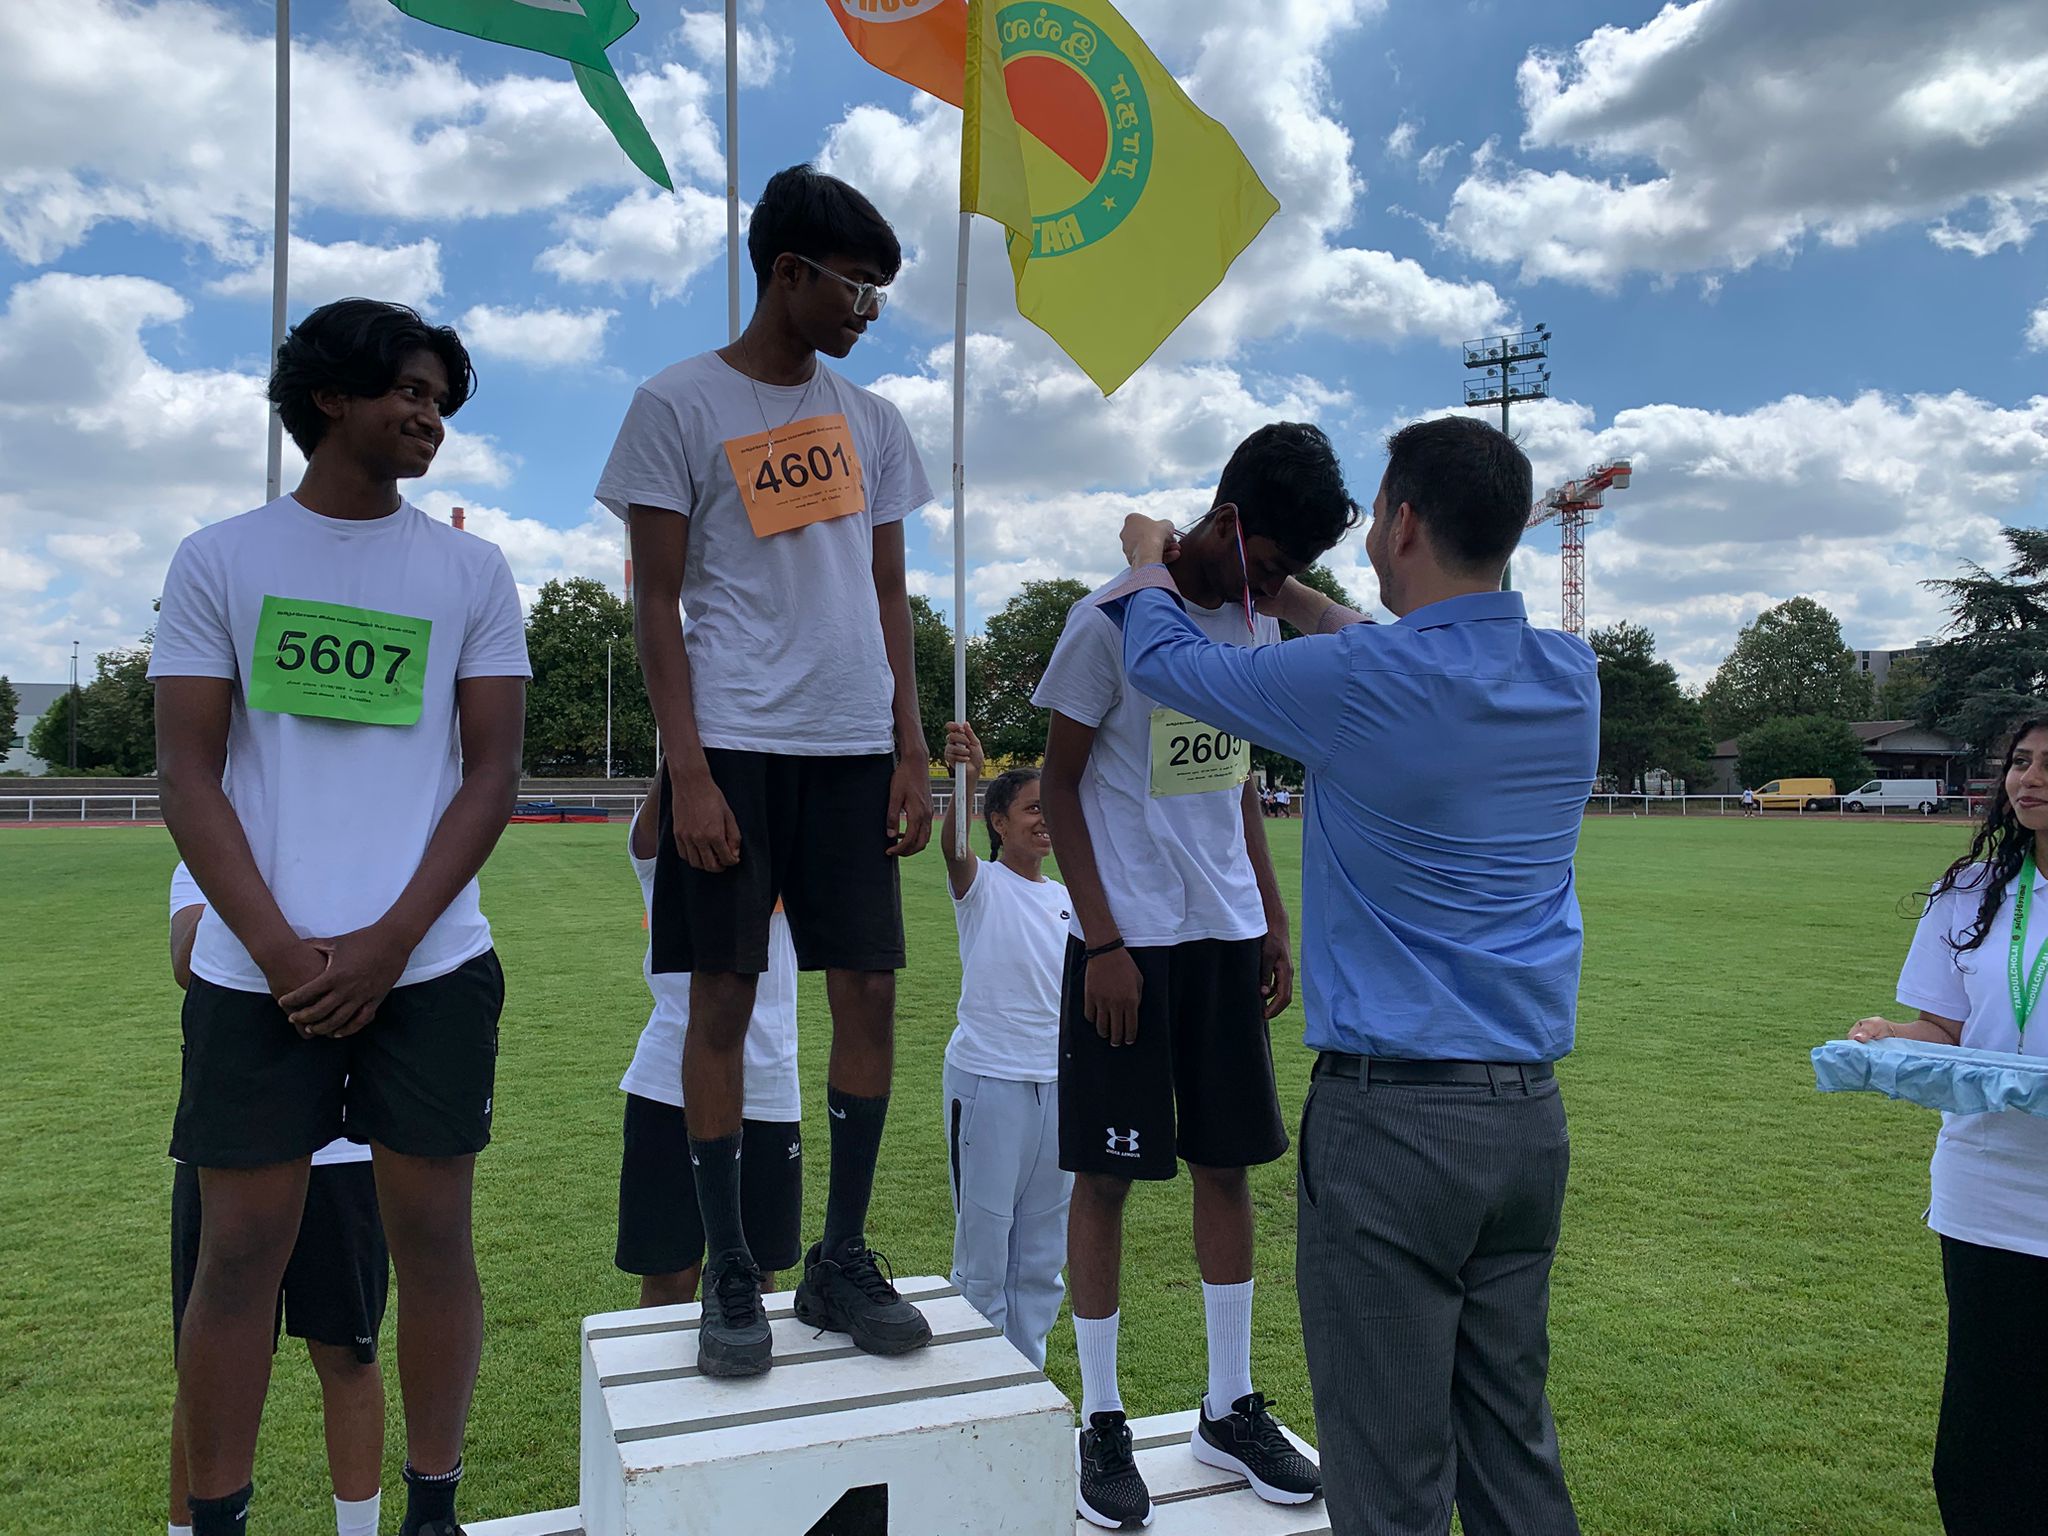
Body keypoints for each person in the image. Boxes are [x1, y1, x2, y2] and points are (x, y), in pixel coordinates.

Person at [1108, 414, 1599, 1536]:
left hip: (1393, 1124)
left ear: (1404, 522)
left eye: (1377, 513)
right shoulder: (1568, 674)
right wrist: (1287, 595)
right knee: (1511, 1450)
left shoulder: (1361, 681)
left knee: (1386, 1479)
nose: (1370, 533)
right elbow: (1384, 642)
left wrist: (1143, 560)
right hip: (1526, 1120)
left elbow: (1165, 662)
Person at [150, 298, 529, 1536]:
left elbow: (491, 774)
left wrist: (389, 943)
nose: (430, 418)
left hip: (429, 965)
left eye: (439, 401)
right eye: (408, 392)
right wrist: (274, 948)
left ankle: (432, 1511)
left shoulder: (470, 570)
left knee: (434, 1246)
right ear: (329, 397)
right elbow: (188, 772)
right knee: (237, 1258)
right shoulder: (219, 558)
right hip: (260, 973)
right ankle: (218, 1519)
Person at [595, 163, 936, 1379]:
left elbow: (889, 592)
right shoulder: (676, 404)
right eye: (855, 285)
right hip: (735, 742)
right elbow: (656, 600)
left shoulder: (873, 421)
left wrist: (909, 746)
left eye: (880, 291)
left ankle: (839, 1258)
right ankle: (730, 1267)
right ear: (786, 271)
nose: (867, 310)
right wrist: (685, 770)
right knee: (722, 1000)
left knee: (869, 992)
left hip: (852, 747)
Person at [1036, 422, 1350, 1528]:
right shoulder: (1109, 620)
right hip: (1126, 948)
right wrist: (1103, 941)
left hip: (1222, 939)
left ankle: (1227, 1406)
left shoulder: (1252, 627)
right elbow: (1058, 787)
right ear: (1224, 521)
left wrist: (1270, 917)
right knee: (1105, 1179)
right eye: (1267, 562)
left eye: (1288, 574)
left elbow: (1235, 786)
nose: (1270, 587)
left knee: (1229, 1169)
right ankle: (1102, 1419)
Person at [1845, 711, 2048, 1536]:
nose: (2030, 778)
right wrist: (1892, 1036)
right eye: (2022, 761)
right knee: (1984, 1428)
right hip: (1986, 1188)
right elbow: (1948, 1030)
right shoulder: (1971, 892)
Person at [167, 864, 389, 1536]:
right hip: (228, 1152)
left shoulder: (364, 856)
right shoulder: (209, 857)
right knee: (206, 1374)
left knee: (349, 1355)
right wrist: (275, 932)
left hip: (344, 1152)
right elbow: (187, 960)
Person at [617, 772, 802, 1306]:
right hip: (668, 1086)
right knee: (669, 1275)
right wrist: (693, 749)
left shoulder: (783, 858)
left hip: (768, 1087)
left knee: (756, 1277)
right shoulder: (666, 845)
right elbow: (667, 793)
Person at [937, 720, 1072, 1368]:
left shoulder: (1069, 900)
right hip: (989, 1083)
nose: (1044, 821)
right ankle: (978, 1387)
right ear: (997, 822)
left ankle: (1027, 1380)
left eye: (1050, 809)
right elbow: (953, 847)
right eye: (1031, 809)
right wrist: (968, 774)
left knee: (1041, 1260)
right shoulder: (982, 886)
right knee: (984, 1254)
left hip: (1057, 1088)